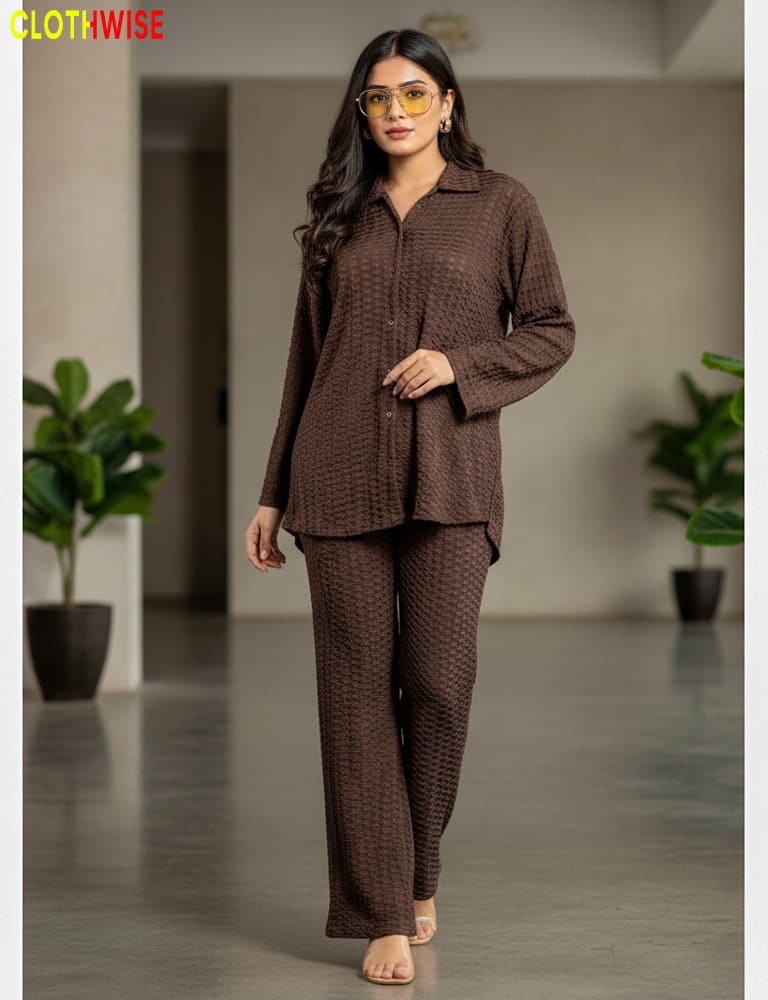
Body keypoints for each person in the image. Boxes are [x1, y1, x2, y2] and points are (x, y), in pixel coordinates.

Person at [245, 28, 576, 987]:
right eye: (377, 97)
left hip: (454, 480)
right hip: (336, 476)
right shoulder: (335, 221)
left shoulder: (500, 206)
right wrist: (273, 492)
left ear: (447, 102)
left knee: (438, 685)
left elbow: (552, 329)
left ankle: (420, 866)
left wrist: (461, 365)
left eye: (413, 92)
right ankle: (382, 912)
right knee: (353, 698)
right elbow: (304, 364)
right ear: (361, 110)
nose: (395, 110)